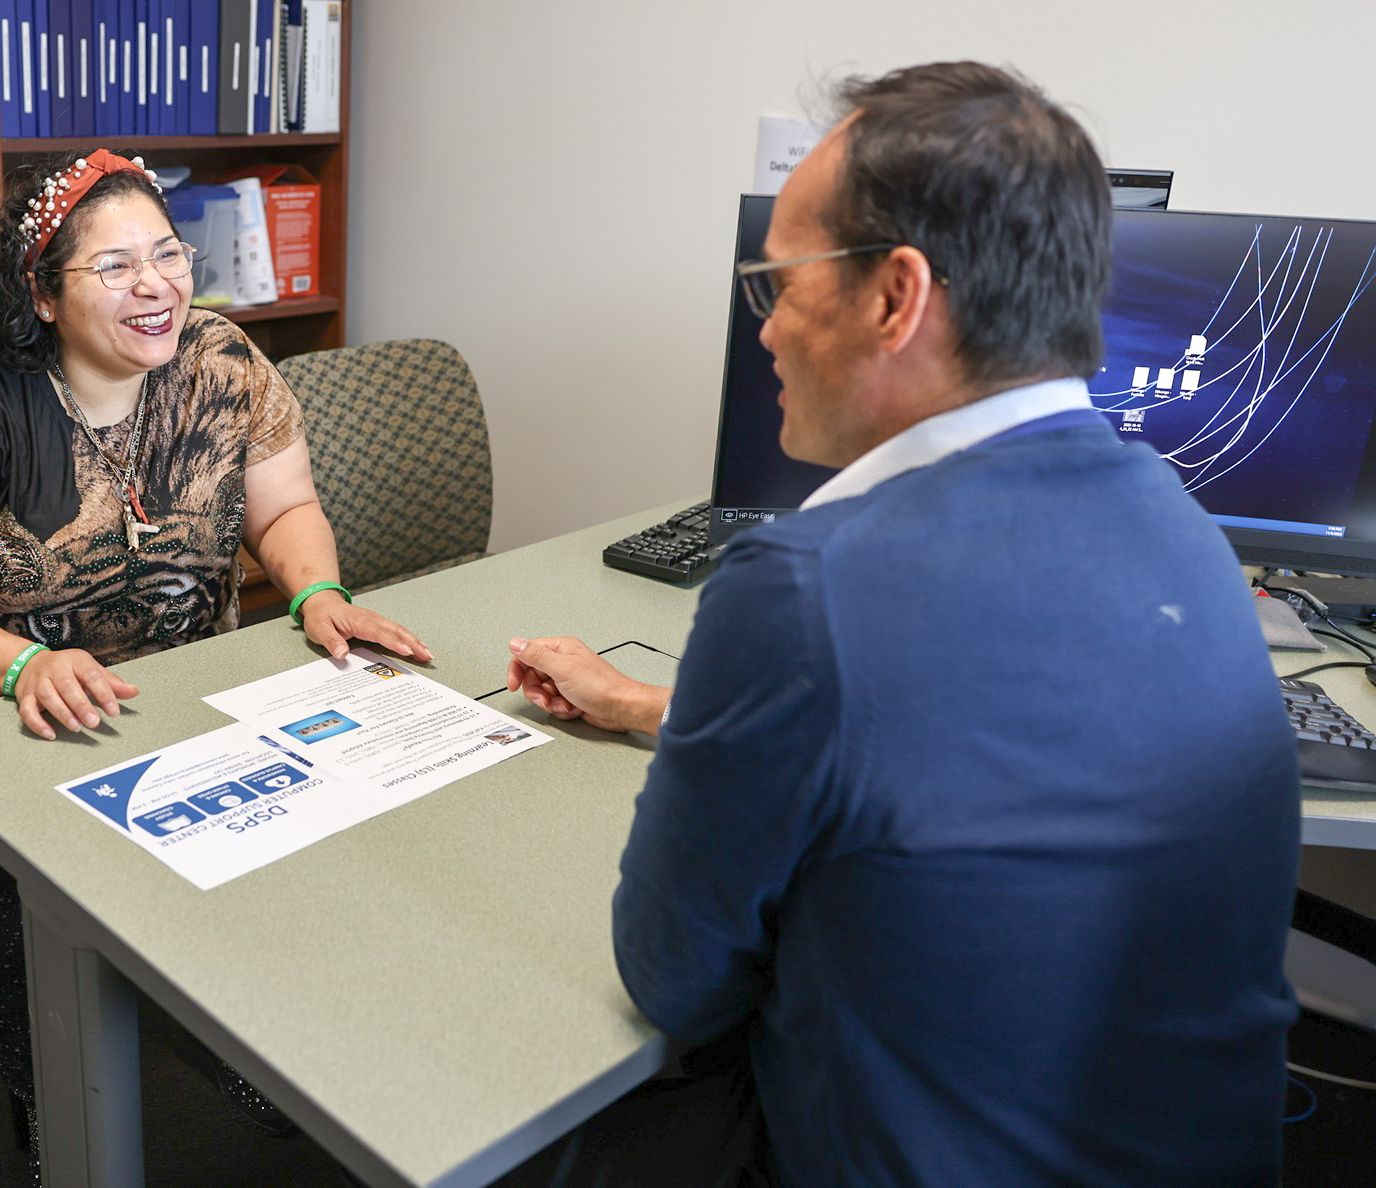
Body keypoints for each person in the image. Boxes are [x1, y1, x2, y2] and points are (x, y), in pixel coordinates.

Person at [505, 64, 1300, 1185]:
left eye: (782, 283)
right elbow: (961, 745)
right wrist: (651, 704)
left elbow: (674, 975)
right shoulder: (1178, 524)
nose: (768, 328)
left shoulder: (802, 584)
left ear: (896, 295)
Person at [0, 148, 429, 1164]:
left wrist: (316, 590)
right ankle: (46, 1095)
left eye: (168, 253)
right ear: (41, 290)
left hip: (164, 670)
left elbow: (285, 505)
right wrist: (23, 668)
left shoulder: (225, 364)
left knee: (257, 814)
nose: (158, 284)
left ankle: (258, 1041)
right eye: (115, 267)